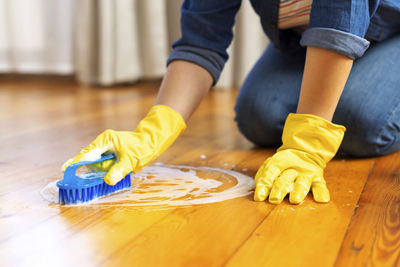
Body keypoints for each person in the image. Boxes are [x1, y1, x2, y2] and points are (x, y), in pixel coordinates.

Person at [62, 0, 400, 205]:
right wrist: (150, 133)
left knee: (362, 123)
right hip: (302, 40)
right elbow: (199, 44)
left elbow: (337, 27)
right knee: (258, 115)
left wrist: (308, 144)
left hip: (388, 33)